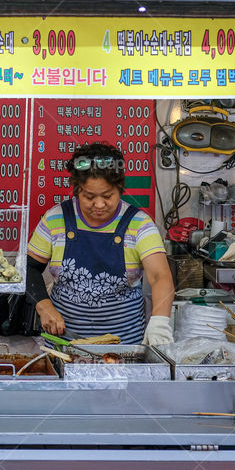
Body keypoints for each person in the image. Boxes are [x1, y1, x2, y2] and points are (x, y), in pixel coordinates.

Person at [26, 143, 175, 345]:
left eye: (107, 196)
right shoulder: (55, 219)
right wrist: (43, 306)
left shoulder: (139, 224)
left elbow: (160, 277)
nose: (98, 205)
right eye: (89, 196)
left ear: (120, 189)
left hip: (124, 345)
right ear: (77, 189)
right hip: (65, 343)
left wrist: (159, 322)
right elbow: (29, 269)